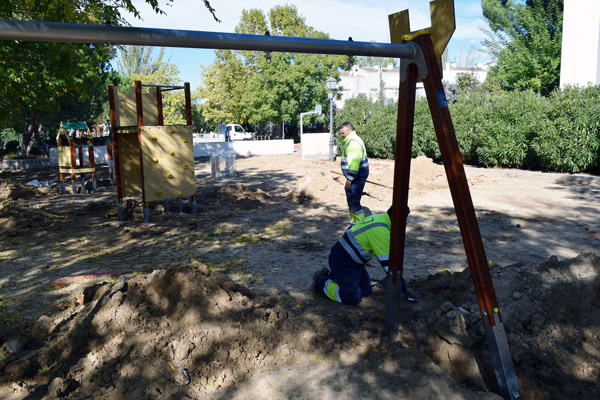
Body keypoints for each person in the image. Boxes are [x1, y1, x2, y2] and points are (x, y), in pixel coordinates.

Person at [311, 207, 418, 305]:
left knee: (365, 291)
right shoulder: (380, 232)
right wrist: (404, 288)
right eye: (404, 221)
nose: (404, 224)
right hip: (342, 260)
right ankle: (321, 281)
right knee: (351, 297)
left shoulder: (379, 218)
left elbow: (351, 230)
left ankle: (331, 275)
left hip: (353, 262)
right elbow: (389, 266)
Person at [339, 122, 369, 225]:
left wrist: (349, 179)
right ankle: (353, 223)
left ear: (349, 131)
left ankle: (360, 225)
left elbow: (354, 163)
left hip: (356, 177)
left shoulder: (353, 143)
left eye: (343, 133)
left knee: (354, 201)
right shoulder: (353, 140)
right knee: (351, 201)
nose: (341, 135)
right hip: (356, 177)